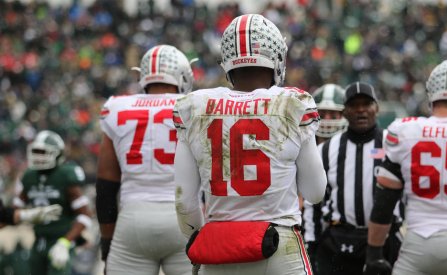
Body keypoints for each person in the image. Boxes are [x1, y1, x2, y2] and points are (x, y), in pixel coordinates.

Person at [172, 14, 327, 275]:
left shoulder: (195, 107)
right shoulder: (291, 103)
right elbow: (315, 192)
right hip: (278, 245)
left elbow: (184, 202)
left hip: (220, 247)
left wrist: (203, 236)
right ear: (277, 58)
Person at [364, 59, 447, 275]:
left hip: (419, 245)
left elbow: (384, 202)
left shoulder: (405, 130)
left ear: (431, 92)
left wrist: (374, 253)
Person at [96, 44, 194, 275]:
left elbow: (106, 185)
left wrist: (107, 240)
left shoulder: (117, 107)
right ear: (182, 75)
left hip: (133, 218)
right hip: (186, 218)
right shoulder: (196, 105)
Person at [304, 81, 402, 275]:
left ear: (377, 108)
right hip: (337, 242)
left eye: (366, 104)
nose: (361, 110)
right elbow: (313, 202)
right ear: (346, 111)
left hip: (383, 240)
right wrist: (312, 244)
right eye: (354, 106)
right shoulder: (325, 150)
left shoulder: (393, 146)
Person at [14, 130, 92, 275]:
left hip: (60, 240)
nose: (38, 157)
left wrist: (65, 243)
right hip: (38, 241)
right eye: (36, 151)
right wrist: (27, 215)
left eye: (43, 152)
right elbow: (13, 212)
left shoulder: (65, 175)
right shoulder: (29, 176)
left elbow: (85, 216)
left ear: (58, 154)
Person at [302, 83, 347, 273]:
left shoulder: (350, 150)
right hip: (307, 228)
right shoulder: (303, 145)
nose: (327, 119)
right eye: (324, 113)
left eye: (334, 114)